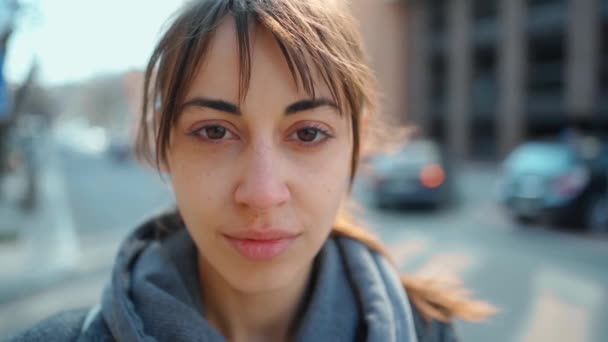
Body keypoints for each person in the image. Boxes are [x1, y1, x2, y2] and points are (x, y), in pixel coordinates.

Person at [10, 0, 494, 341]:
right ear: (165, 146)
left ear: (357, 142)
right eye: (214, 131)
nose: (262, 194)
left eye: (308, 133)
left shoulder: (428, 331)